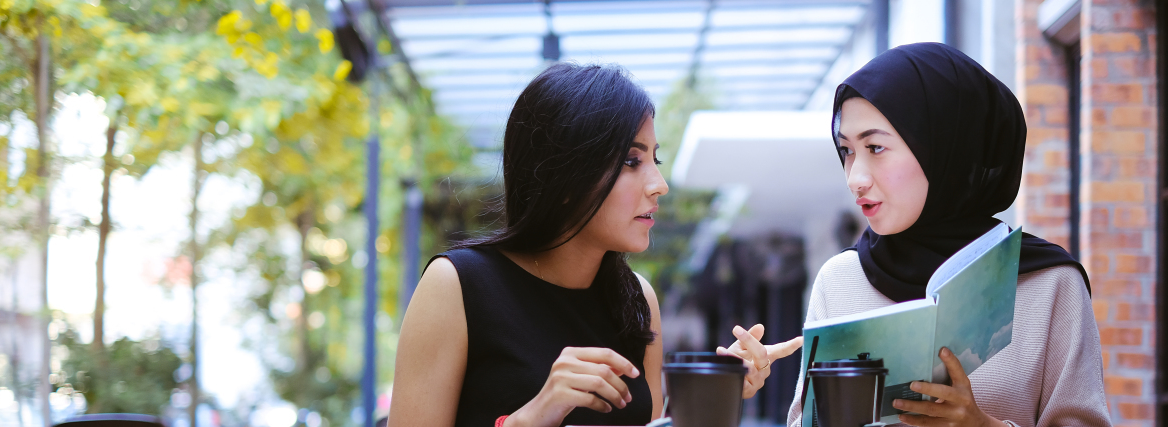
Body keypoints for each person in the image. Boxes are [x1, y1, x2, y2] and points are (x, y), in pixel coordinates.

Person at [389, 63, 802, 427]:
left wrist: (714, 391)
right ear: (565, 175)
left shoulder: (639, 299)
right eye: (630, 161)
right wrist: (531, 418)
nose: (659, 185)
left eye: (654, 160)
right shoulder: (457, 286)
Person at [786, 43, 1111, 427]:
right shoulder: (839, 281)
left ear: (941, 147)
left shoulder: (1050, 284)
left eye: (875, 147)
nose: (856, 178)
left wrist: (982, 425)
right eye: (847, 151)